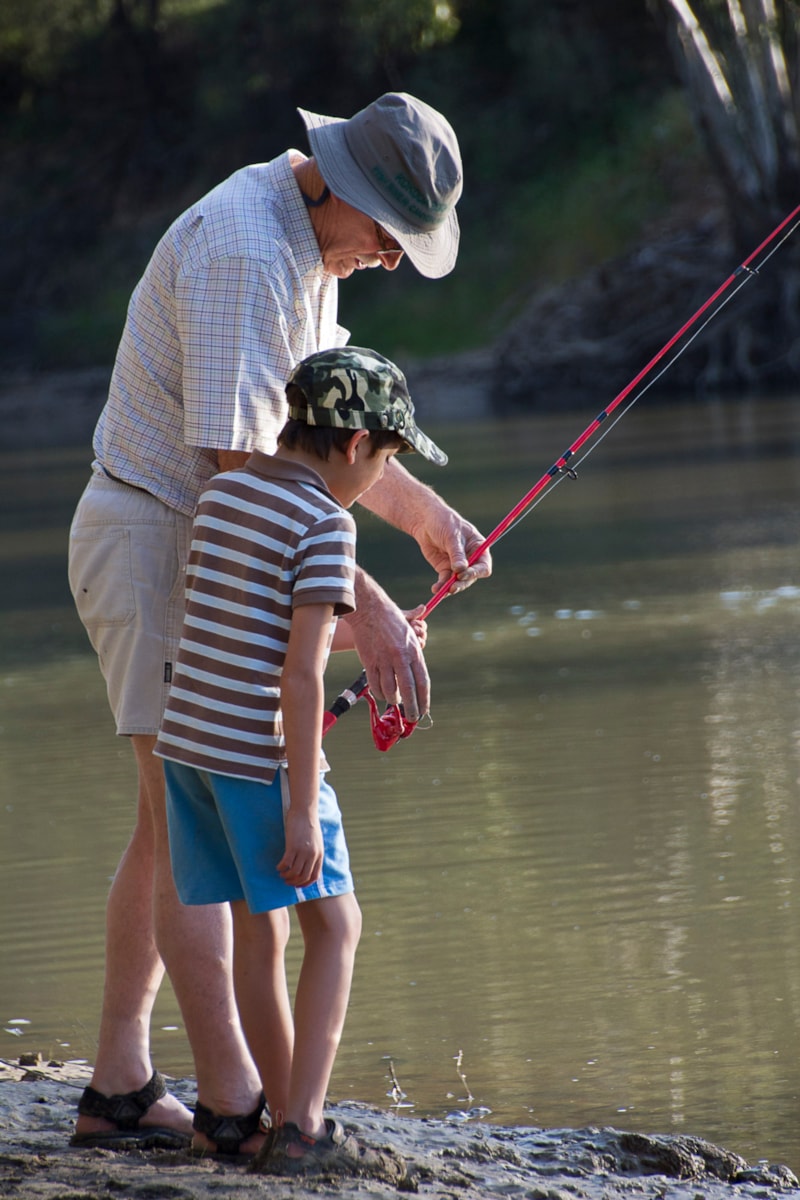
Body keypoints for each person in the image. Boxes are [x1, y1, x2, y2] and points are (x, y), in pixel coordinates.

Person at [67, 91, 491, 1152]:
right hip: (156, 536)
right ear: (342, 187)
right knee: (183, 827)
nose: (389, 261)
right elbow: (240, 474)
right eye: (390, 237)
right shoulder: (245, 255)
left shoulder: (310, 248)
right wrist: (369, 608)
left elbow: (321, 440)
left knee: (165, 821)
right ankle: (232, 1104)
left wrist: (426, 517)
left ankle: (118, 1085)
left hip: (207, 543)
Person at [154, 346, 443, 1172]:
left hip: (192, 747)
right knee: (337, 926)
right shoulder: (326, 523)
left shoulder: (223, 493)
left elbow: (255, 626)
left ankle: (283, 1118)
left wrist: (376, 631)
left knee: (263, 927)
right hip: (259, 759)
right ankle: (307, 1127)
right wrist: (301, 808)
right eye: (385, 459)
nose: (376, 476)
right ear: (355, 444)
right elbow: (302, 675)